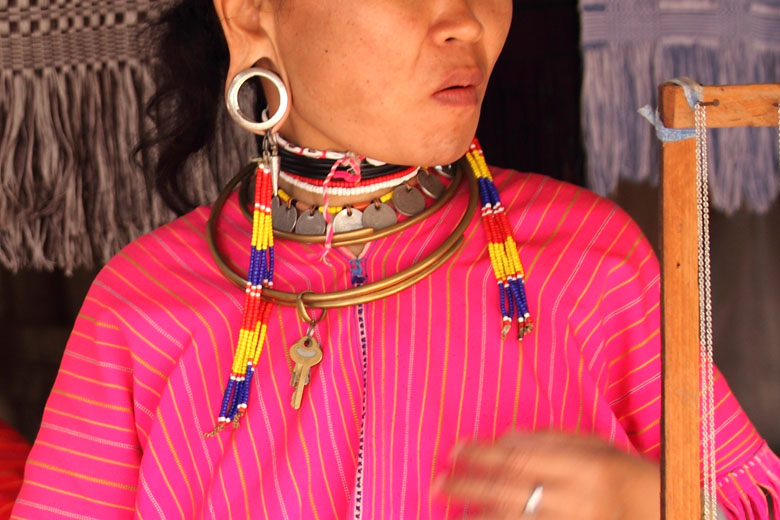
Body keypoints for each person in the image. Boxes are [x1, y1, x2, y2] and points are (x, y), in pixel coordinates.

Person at [11, 0, 780, 518]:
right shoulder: (141, 305)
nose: (464, 21)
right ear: (249, 14)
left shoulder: (591, 261)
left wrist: (648, 504)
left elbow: (752, 501)